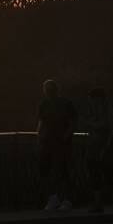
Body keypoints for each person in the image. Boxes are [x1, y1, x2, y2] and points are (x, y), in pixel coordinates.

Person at [37, 79, 77, 211]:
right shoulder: (44, 104)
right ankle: (54, 198)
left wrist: (65, 136)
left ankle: (66, 200)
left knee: (63, 171)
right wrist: (40, 136)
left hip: (61, 143)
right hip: (48, 142)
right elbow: (41, 122)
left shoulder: (66, 104)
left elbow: (72, 123)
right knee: (47, 171)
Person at [83, 88, 113, 213]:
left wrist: (106, 148)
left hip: (105, 148)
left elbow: (112, 131)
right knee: (95, 175)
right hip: (93, 148)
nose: (92, 103)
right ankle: (98, 203)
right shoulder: (94, 112)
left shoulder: (109, 112)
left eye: (93, 100)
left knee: (110, 176)